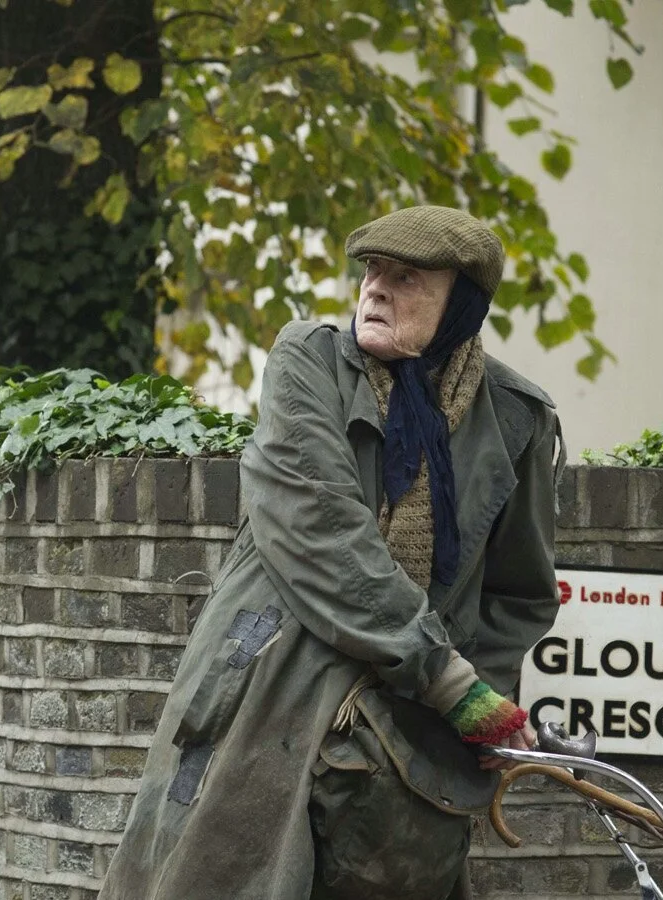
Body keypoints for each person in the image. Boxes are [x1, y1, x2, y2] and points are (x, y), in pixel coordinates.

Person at [100, 206, 565, 900]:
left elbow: (517, 594)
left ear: (462, 304)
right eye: (372, 271)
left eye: (406, 278)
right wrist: (449, 681)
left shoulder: (517, 416)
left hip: (406, 744)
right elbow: (321, 530)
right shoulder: (308, 360)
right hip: (268, 693)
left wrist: (467, 716)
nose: (375, 289)